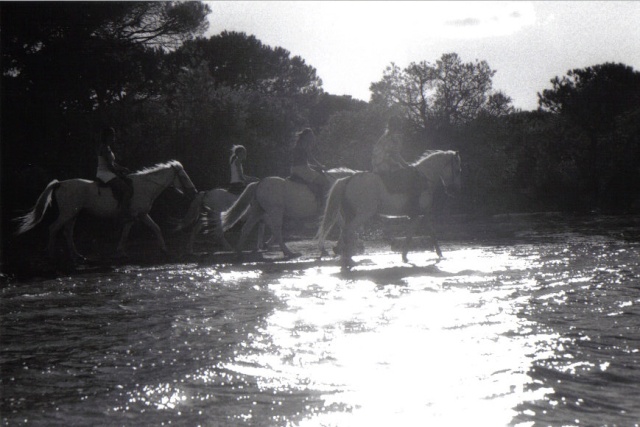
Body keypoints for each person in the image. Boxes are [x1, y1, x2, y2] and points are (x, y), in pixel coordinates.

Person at [371, 116, 425, 214]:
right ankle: (412, 207)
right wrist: (406, 165)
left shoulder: (385, 136)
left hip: (378, 165)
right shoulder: (394, 137)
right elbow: (394, 154)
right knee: (413, 176)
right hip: (386, 166)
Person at [96, 127, 133, 218]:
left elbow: (113, 163)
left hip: (108, 172)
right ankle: (123, 215)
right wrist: (119, 172)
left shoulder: (107, 147)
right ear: (107, 136)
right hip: (104, 173)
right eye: (112, 135)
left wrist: (123, 168)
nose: (114, 138)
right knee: (127, 190)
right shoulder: (104, 148)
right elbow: (110, 166)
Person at [290, 128, 329, 201]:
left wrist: (315, 167)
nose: (312, 137)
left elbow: (301, 162)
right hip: (303, 170)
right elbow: (311, 159)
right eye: (310, 136)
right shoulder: (305, 145)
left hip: (295, 169)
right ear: (306, 136)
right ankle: (323, 203)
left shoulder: (299, 144)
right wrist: (321, 166)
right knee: (325, 182)